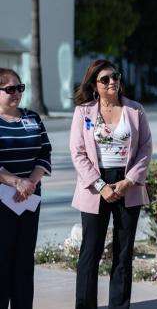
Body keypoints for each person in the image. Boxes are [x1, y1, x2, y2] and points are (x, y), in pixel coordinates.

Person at [70, 60, 152, 309]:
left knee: (124, 253)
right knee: (90, 252)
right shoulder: (83, 111)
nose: (112, 82)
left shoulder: (135, 110)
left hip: (128, 183)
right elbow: (78, 152)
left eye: (115, 76)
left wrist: (130, 180)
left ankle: (120, 305)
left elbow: (146, 148)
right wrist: (100, 185)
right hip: (95, 184)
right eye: (105, 79)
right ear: (94, 85)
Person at [0, 69, 51, 309]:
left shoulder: (32, 117)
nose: (16, 93)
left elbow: (45, 151)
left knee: (23, 259)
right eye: (10, 89)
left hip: (29, 199)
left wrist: (30, 181)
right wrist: (14, 181)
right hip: (2, 200)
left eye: (20, 88)